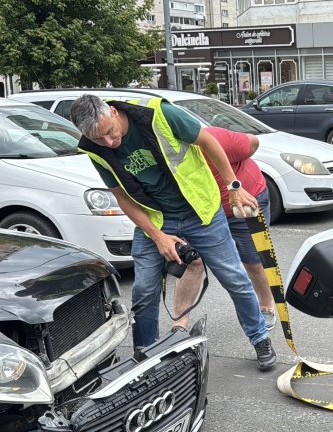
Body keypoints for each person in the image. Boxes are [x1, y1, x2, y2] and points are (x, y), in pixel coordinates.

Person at [70, 95, 277, 371]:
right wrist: (157, 236)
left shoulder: (160, 115)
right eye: (99, 140)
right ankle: (144, 359)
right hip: (157, 219)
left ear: (115, 112)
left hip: (200, 210)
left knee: (235, 279)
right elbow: (123, 198)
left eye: (109, 132)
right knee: (144, 290)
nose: (109, 143)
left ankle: (260, 338)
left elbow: (208, 141)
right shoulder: (96, 150)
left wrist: (234, 185)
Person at [172, 125, 278, 336]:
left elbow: (252, 142)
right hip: (203, 212)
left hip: (243, 204)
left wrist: (236, 177)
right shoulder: (163, 156)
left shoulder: (215, 139)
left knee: (252, 261)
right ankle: (179, 324)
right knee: (191, 262)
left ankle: (266, 306)